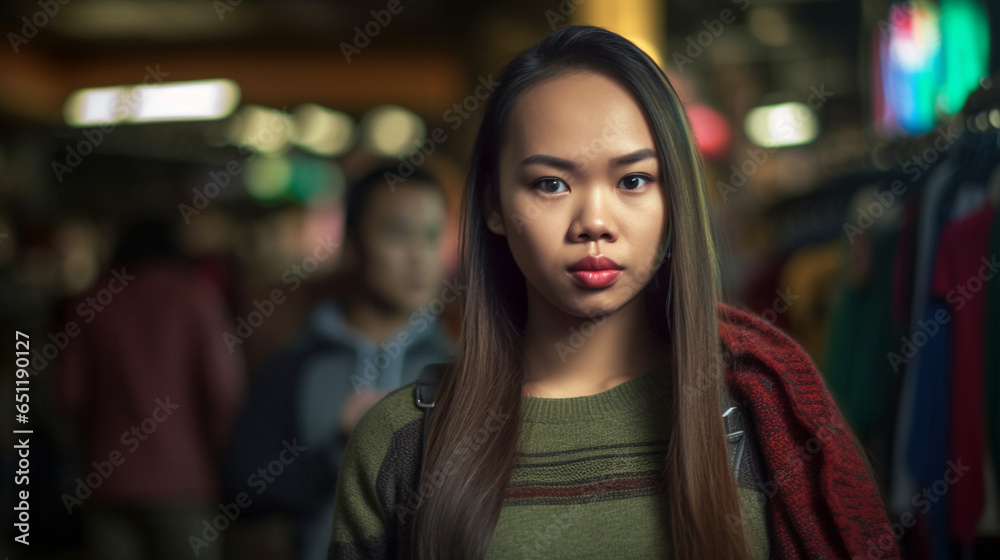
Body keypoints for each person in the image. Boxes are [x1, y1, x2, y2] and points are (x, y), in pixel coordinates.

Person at [328, 25, 900, 560]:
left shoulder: (762, 419)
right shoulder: (401, 444)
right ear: (493, 206)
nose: (594, 222)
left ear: (674, 200)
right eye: (550, 184)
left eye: (633, 181)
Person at [222, 164, 456, 560]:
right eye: (398, 233)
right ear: (351, 244)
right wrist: (339, 451)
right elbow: (244, 491)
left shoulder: (463, 369)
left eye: (431, 236)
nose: (419, 255)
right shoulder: (293, 365)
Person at [57, 216, 245, 560]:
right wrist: (219, 455)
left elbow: (70, 395)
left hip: (108, 481)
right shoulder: (196, 297)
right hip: (185, 483)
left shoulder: (92, 303)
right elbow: (224, 391)